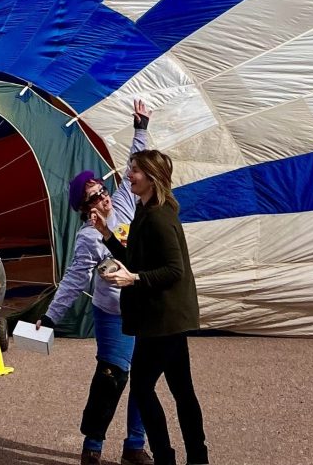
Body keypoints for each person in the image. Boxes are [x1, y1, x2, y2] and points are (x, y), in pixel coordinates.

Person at [36, 100, 153, 465]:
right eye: (93, 197)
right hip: (113, 313)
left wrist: (140, 128)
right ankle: (93, 447)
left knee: (144, 381)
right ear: (85, 209)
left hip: (143, 305)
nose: (102, 196)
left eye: (102, 190)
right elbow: (73, 280)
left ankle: (135, 445)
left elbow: (138, 167)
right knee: (112, 377)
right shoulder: (88, 237)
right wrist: (52, 317)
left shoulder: (125, 205)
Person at [92, 149, 208, 465]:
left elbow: (175, 269)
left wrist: (135, 279)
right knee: (182, 392)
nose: (129, 175)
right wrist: (106, 235)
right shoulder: (146, 211)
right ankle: (198, 458)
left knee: (143, 389)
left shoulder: (159, 217)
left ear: (152, 177)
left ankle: (166, 458)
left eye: (135, 171)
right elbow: (136, 258)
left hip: (163, 319)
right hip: (162, 317)